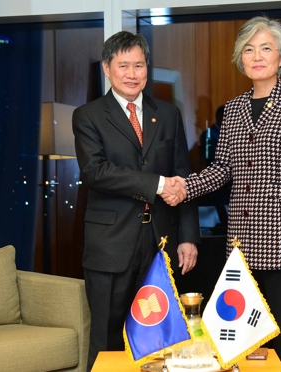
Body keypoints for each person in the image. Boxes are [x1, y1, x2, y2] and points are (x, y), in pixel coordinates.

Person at [163, 16, 281, 372]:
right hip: (241, 245)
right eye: (249, 49)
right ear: (241, 58)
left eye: (266, 48)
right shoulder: (233, 109)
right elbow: (222, 170)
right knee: (241, 342)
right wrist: (185, 186)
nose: (257, 55)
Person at [72, 31, 200, 372]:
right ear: (107, 69)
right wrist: (157, 184)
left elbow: (182, 177)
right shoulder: (88, 116)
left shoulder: (168, 114)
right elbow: (96, 172)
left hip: (159, 242)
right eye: (123, 65)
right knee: (108, 339)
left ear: (147, 68)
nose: (132, 73)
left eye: (139, 65)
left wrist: (188, 235)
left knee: (161, 338)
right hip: (110, 245)